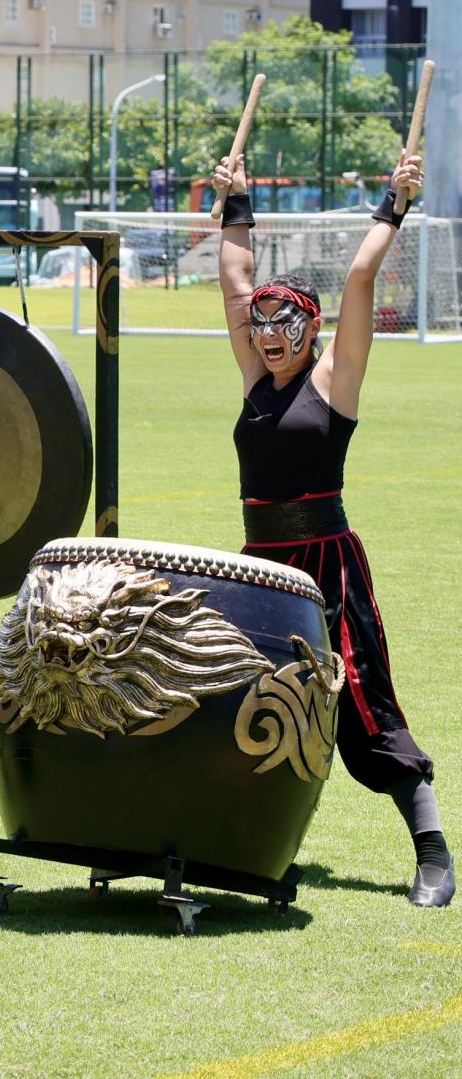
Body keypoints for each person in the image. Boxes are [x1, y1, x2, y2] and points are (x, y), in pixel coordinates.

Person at [216, 144, 448, 907]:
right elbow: (233, 280)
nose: (267, 338)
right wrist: (237, 200)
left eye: (283, 327)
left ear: (308, 330)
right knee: (248, 696)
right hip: (260, 567)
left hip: (326, 559)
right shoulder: (254, 381)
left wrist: (396, 199)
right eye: (259, 328)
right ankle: (248, 845)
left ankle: (431, 850)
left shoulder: (331, 382)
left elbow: (357, 278)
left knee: (359, 698)